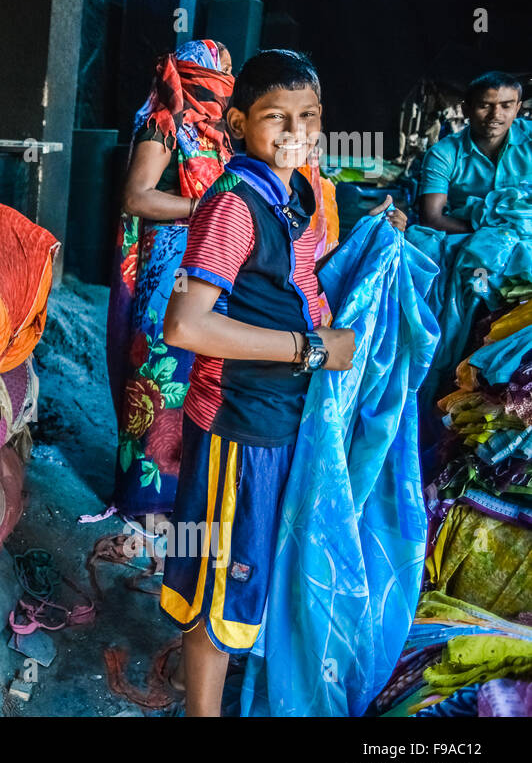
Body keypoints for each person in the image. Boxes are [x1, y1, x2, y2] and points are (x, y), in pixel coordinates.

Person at [158, 49, 405, 717]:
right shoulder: (233, 207)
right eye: (276, 118)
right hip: (237, 425)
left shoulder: (295, 194)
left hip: (278, 422)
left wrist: (378, 243)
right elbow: (184, 325)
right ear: (239, 123)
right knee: (217, 581)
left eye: (310, 118)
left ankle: (205, 683)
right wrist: (311, 349)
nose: (295, 133)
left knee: (248, 569)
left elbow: (298, 284)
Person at [107, 39, 234, 524]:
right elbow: (137, 198)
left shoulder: (214, 133)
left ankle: (182, 494)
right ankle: (145, 502)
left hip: (206, 264)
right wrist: (205, 210)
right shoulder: (164, 125)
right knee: (159, 377)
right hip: (170, 270)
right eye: (219, 73)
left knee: (193, 380)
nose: (227, 82)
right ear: (195, 75)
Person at [418, 72, 532, 233]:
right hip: (468, 237)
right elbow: (432, 220)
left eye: (506, 106)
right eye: (484, 106)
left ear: (517, 109)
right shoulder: (443, 154)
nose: (495, 115)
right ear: (466, 110)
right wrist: (493, 234)